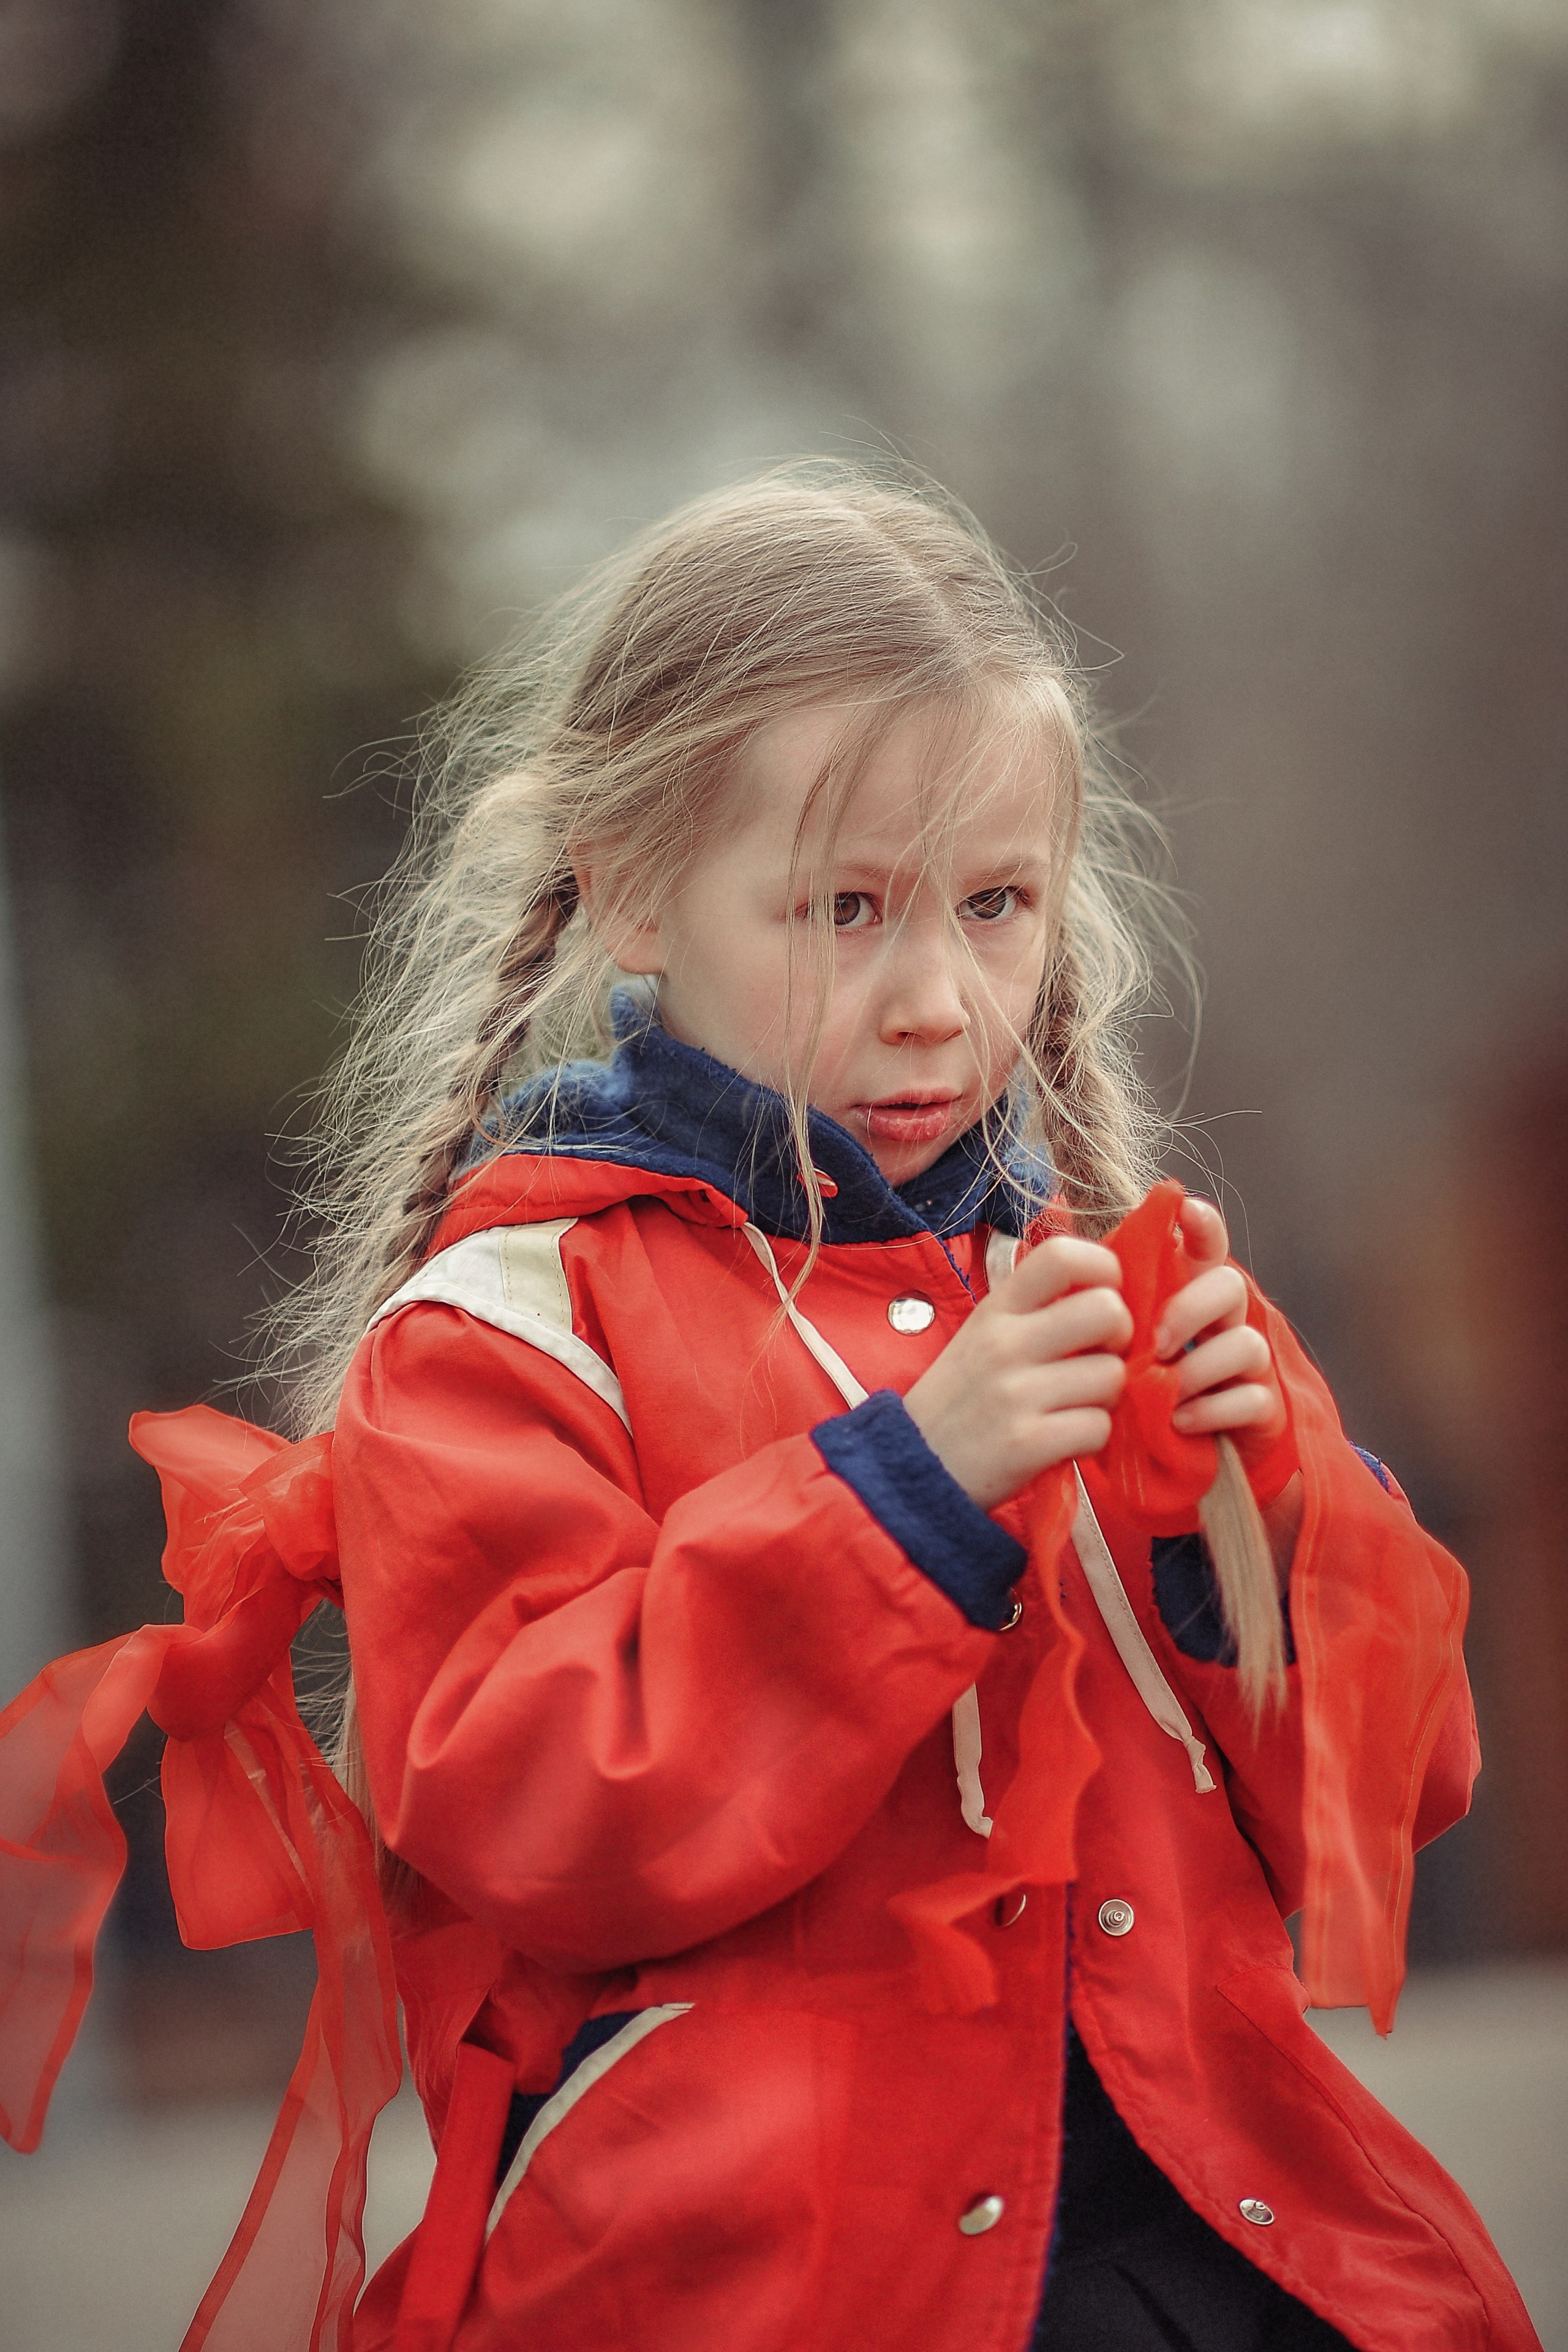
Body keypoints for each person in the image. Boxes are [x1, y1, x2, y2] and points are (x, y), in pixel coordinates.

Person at [0, 465, 1540, 2352]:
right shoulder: (510, 1327)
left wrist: (1269, 1524)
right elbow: (524, 1811)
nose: (936, 997)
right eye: (846, 909)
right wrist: (912, 1493)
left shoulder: (1094, 1288)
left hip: (1207, 2231)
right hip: (754, 2277)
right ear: (636, 891)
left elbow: (1396, 1803)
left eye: (996, 905)